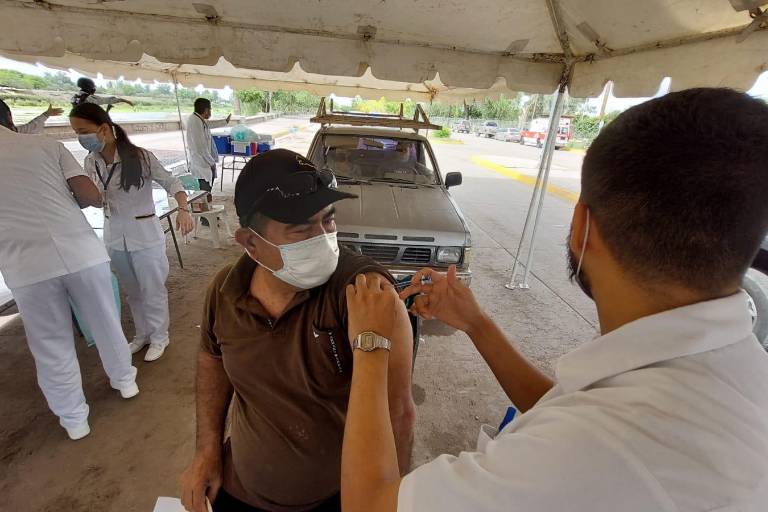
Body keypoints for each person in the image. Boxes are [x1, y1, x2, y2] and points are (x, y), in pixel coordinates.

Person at [340, 88, 768, 511]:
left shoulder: (590, 451)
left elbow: (369, 503)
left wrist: (372, 343)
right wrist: (477, 324)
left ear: (582, 225)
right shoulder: (734, 370)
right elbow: (564, 406)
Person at [179, 149, 416, 512]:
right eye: (302, 229)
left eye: (328, 220)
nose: (322, 237)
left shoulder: (365, 296)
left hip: (337, 498)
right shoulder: (226, 290)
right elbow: (212, 359)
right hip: (240, 488)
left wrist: (384, 503)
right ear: (251, 243)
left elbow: (398, 412)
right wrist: (207, 449)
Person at [0, 99, 138, 441]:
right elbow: (90, 195)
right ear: (9, 119)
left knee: (50, 343)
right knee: (105, 320)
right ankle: (125, 382)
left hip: (25, 265)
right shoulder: (46, 145)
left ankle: (75, 419)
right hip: (80, 252)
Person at [69, 103, 195, 362]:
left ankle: (160, 336)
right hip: (115, 236)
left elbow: (172, 182)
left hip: (144, 235)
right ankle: (142, 335)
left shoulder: (140, 156)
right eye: (76, 133)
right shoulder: (91, 161)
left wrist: (183, 209)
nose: (81, 138)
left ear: (104, 129)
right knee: (132, 291)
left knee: (152, 289)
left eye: (83, 131)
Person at [186, 97, 218, 192]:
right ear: (206, 110)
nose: (210, 112)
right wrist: (211, 162)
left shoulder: (199, 119)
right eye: (210, 109)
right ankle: (205, 205)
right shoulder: (195, 121)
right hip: (201, 164)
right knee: (204, 192)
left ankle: (206, 204)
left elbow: (211, 124)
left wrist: (226, 121)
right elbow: (201, 147)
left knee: (206, 190)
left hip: (203, 163)